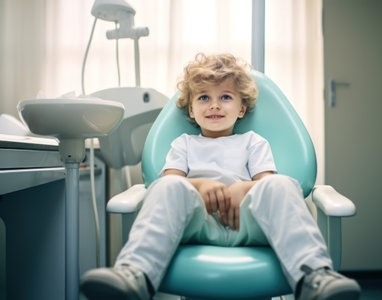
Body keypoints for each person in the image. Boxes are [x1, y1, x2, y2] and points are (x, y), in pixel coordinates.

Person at [80, 53, 361, 300]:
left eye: (225, 97)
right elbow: (168, 184)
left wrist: (244, 188)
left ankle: (315, 276)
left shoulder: (253, 142)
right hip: (197, 225)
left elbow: (267, 186)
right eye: (204, 98)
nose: (214, 105)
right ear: (191, 109)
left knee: (281, 184)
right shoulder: (184, 144)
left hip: (247, 226)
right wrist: (200, 185)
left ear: (241, 108)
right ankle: (134, 274)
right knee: (166, 187)